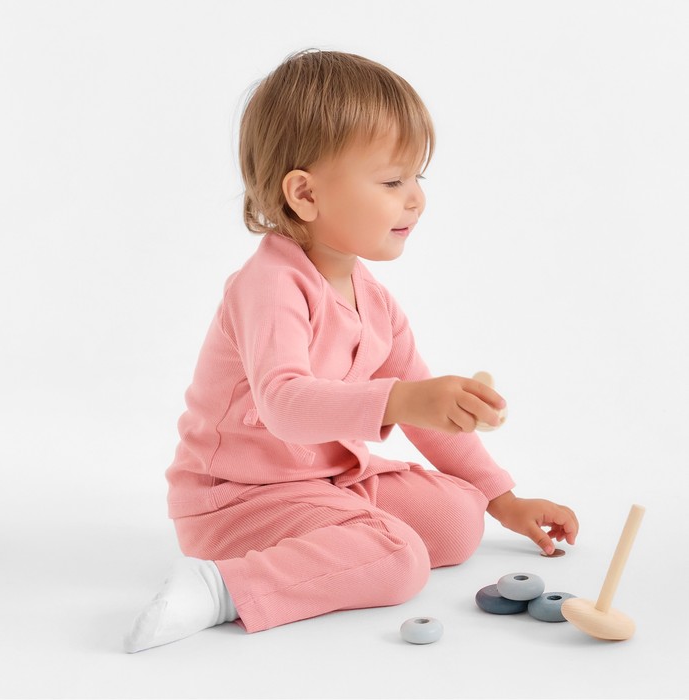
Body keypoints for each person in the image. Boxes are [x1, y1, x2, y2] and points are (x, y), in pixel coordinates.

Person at [124, 49, 578, 653]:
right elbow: (284, 404)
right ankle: (220, 587)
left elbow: (423, 412)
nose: (415, 199)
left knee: (458, 520)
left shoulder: (374, 300)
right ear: (305, 194)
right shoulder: (270, 285)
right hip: (237, 501)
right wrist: (403, 400)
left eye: (418, 178)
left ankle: (347, 533)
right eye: (392, 182)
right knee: (400, 559)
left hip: (329, 482)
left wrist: (504, 499)